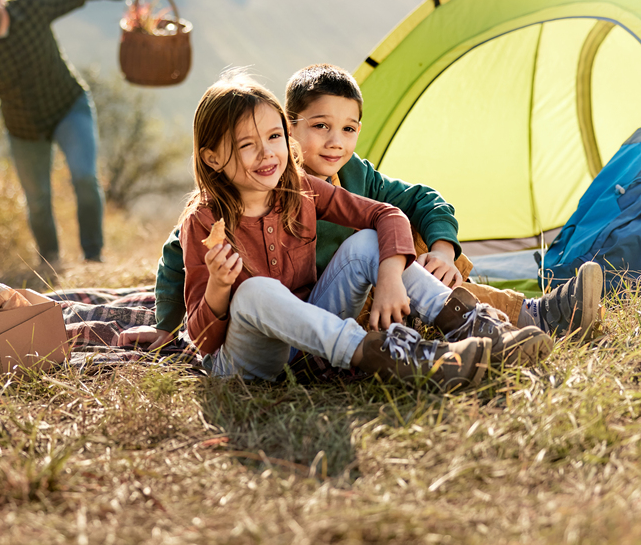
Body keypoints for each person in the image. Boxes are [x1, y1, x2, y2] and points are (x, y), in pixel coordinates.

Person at [136, 63, 600, 348]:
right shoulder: (271, 190)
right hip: (323, 307)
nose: (336, 143)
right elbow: (181, 251)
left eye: (349, 129)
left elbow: (417, 200)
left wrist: (440, 249)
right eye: (320, 127)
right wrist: (166, 323)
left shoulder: (356, 175)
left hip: (379, 287)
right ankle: (494, 323)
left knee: (409, 245)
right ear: (290, 127)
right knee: (374, 247)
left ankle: (528, 315)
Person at [0, 0, 160, 268]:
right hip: (24, 129)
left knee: (84, 176)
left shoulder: (33, 6)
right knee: (38, 198)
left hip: (68, 107)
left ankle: (93, 259)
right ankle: (51, 264)